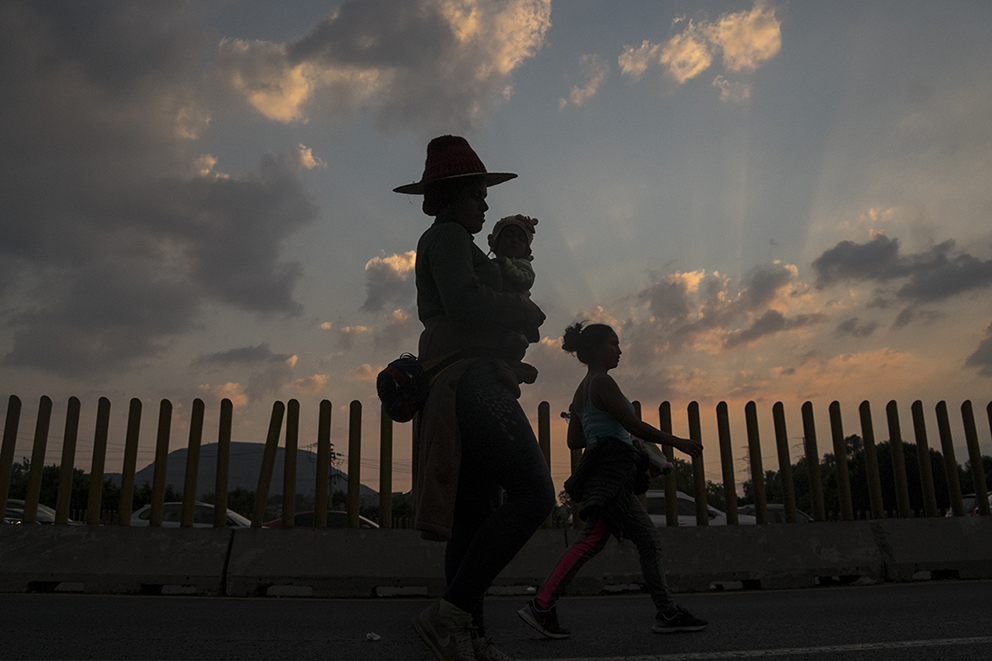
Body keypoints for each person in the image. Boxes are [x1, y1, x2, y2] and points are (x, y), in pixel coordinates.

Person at [393, 135, 555, 661]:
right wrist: (522, 315)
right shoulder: (445, 238)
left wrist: (508, 339)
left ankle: (468, 636)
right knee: (533, 494)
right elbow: (464, 302)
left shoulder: (458, 243)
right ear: (451, 197)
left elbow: (469, 310)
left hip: (468, 377)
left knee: (476, 516)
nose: (485, 203)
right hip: (471, 383)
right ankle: (450, 613)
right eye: (477, 194)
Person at [517, 322, 709, 639]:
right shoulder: (603, 382)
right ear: (595, 350)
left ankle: (667, 612)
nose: (619, 350)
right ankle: (541, 604)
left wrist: (603, 428)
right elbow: (633, 422)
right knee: (593, 541)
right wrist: (677, 442)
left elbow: (574, 441)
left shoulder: (581, 392)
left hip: (603, 470)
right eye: (613, 343)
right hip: (612, 472)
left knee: (646, 541)